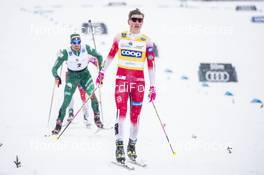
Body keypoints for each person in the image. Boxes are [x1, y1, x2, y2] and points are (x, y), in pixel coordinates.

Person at [96, 9, 156, 163]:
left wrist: (153, 86)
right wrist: (102, 72)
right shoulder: (119, 37)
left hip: (139, 83)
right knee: (121, 113)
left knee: (135, 117)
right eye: (134, 19)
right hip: (122, 80)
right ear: (128, 21)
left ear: (142, 22)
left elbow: (151, 65)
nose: (137, 23)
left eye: (140, 20)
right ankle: (119, 146)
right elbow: (110, 56)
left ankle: (132, 145)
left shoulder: (147, 41)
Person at [51, 33, 104, 135]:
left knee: (92, 95)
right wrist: (56, 76)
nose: (76, 44)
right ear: (71, 43)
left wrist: (100, 72)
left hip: (85, 75)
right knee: (66, 100)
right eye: (74, 43)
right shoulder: (66, 52)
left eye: (78, 42)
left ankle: (97, 118)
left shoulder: (86, 48)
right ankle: (58, 123)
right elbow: (54, 68)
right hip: (72, 76)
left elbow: (99, 56)